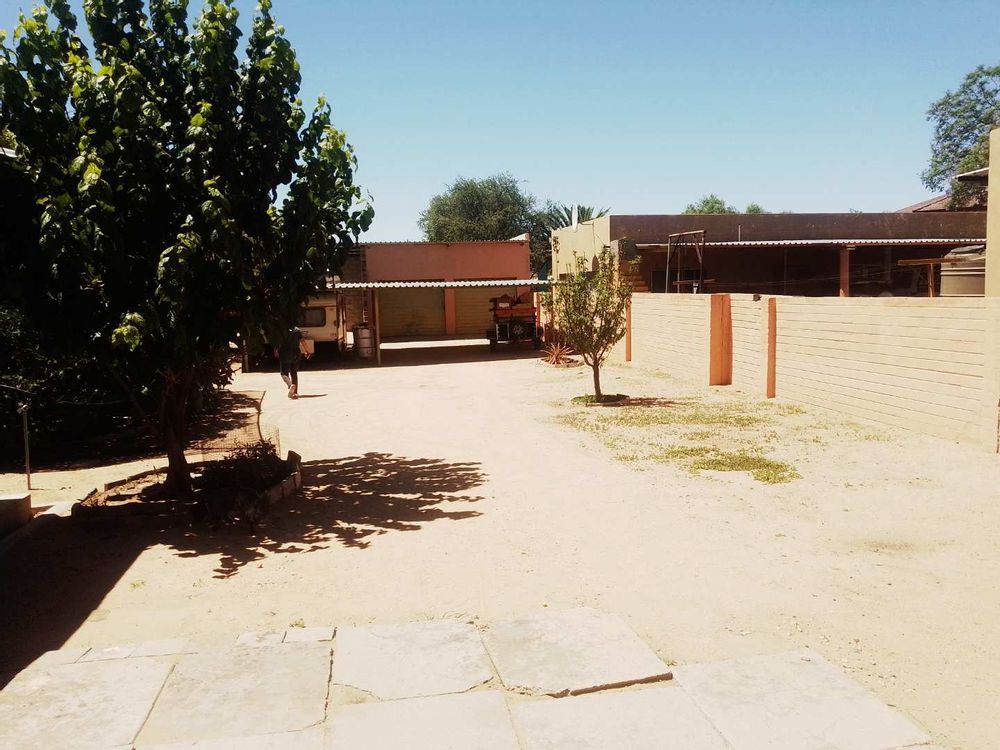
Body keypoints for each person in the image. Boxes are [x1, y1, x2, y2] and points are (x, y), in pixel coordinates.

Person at [274, 326, 310, 399]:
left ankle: (290, 386)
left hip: (284, 353)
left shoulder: (281, 329)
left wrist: (275, 350)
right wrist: (307, 350)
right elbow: (302, 341)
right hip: (296, 353)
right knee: (294, 372)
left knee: (283, 373)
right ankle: (295, 392)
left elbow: (277, 341)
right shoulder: (297, 330)